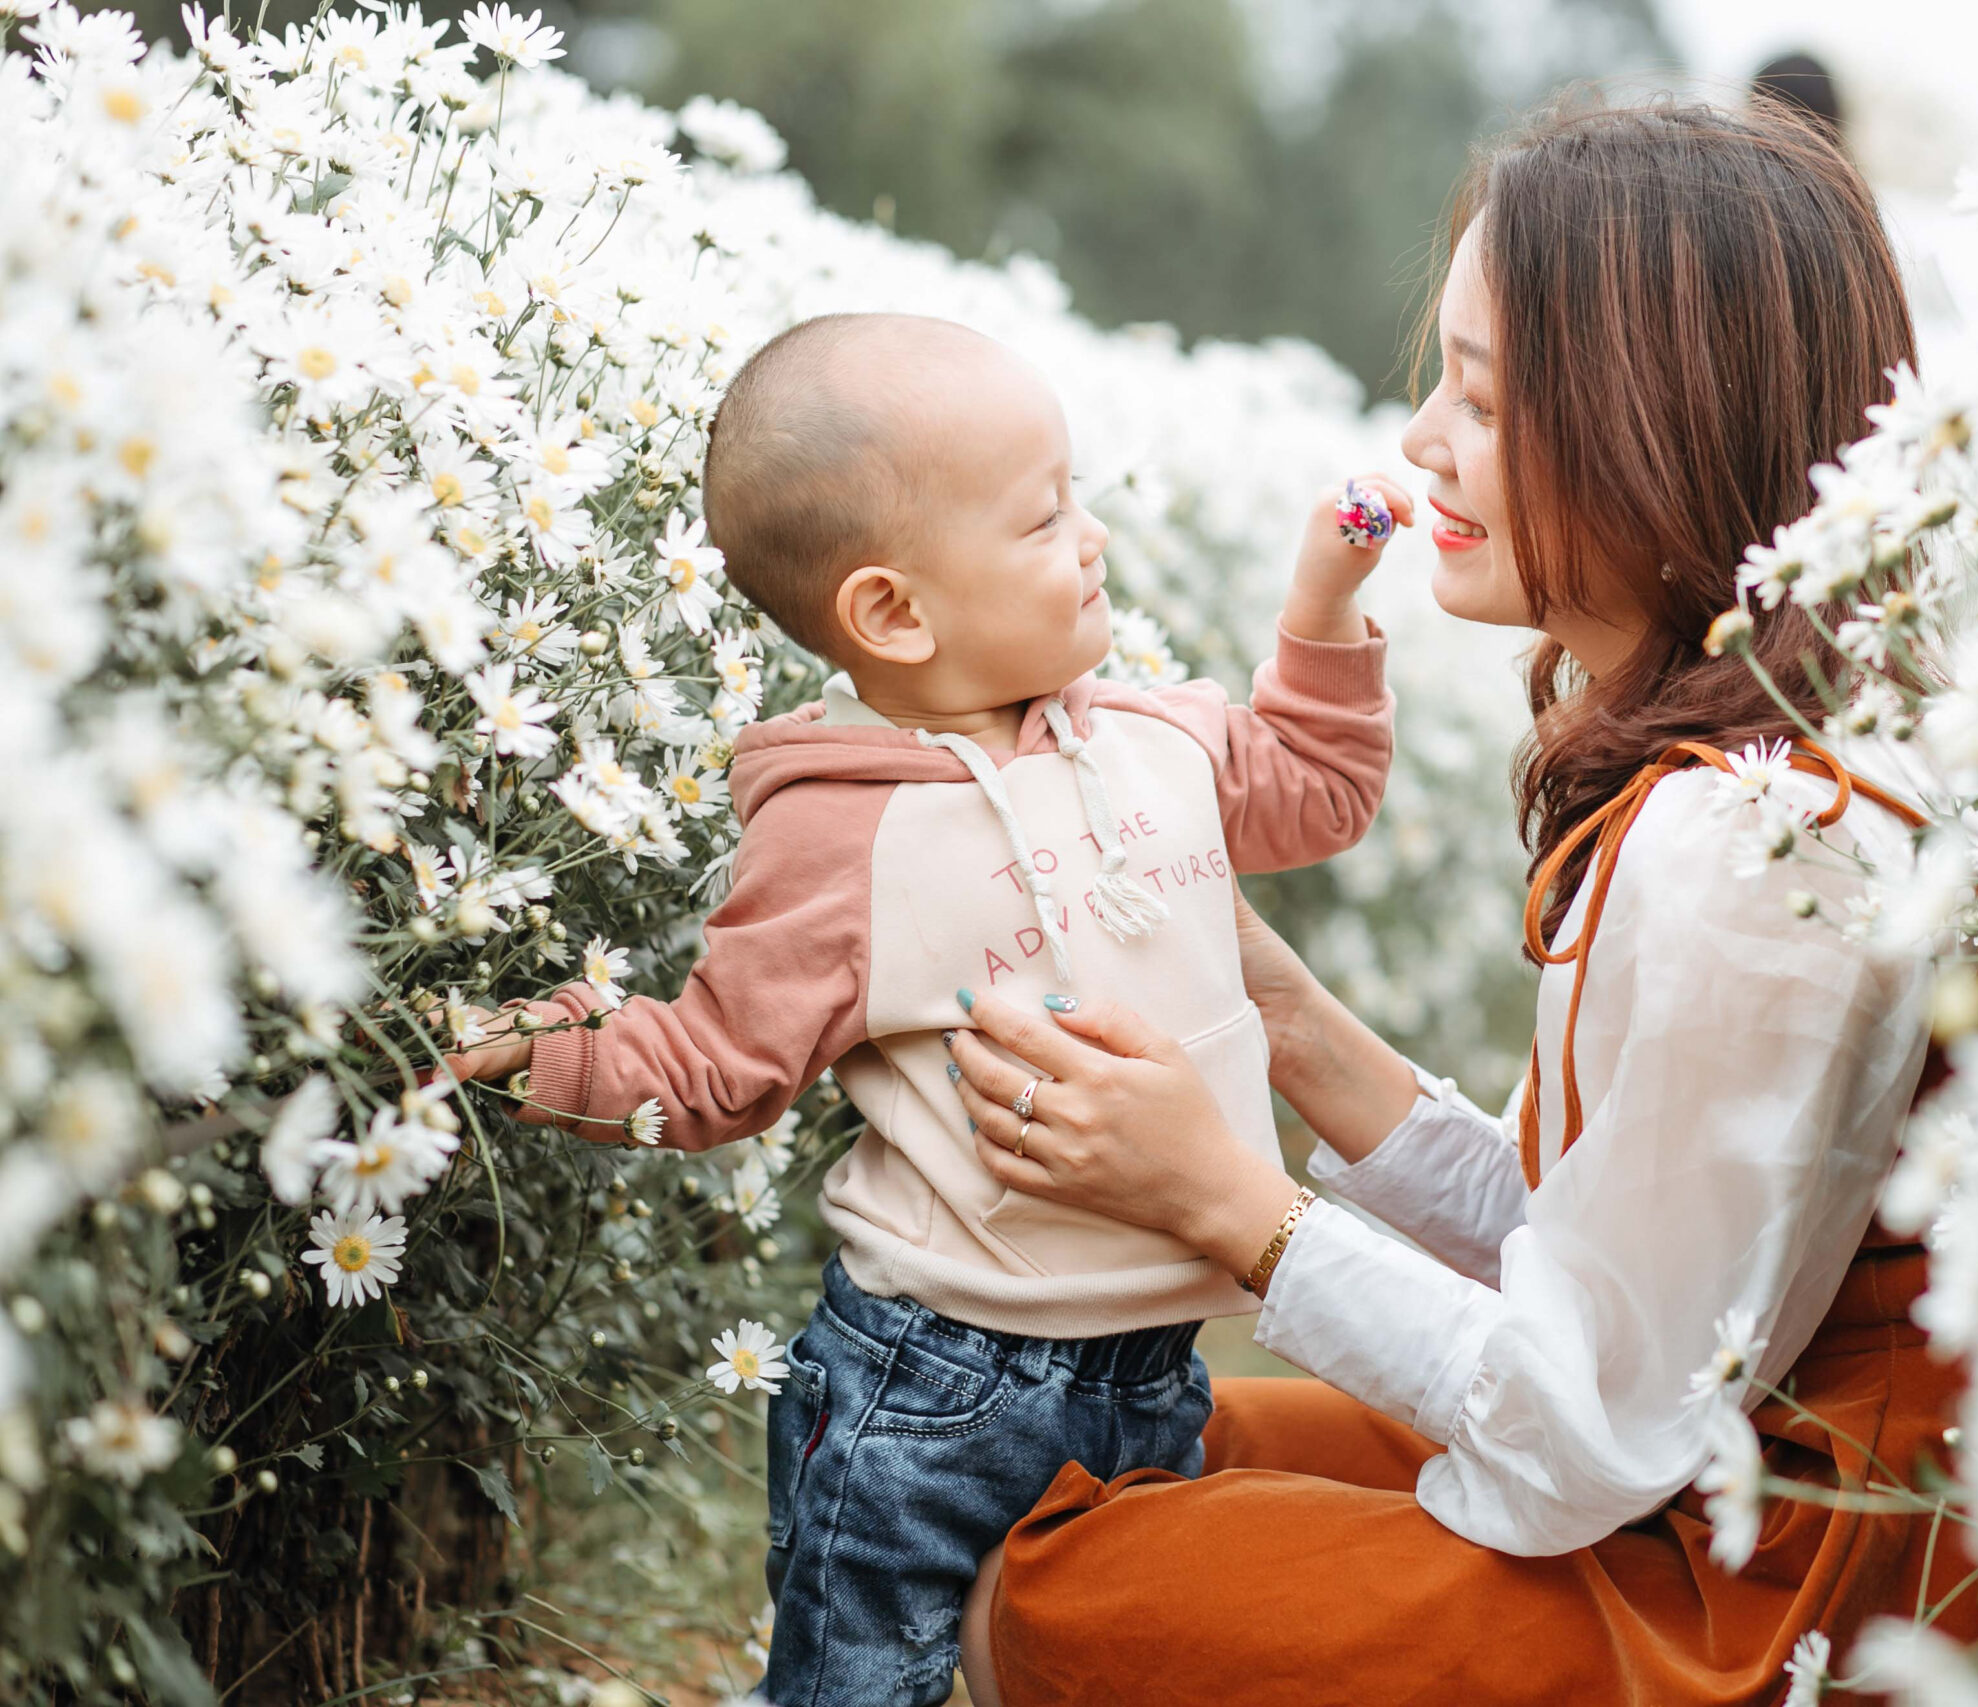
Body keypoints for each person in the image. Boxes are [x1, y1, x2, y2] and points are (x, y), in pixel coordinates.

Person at [936, 102, 1978, 1703]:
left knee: (1059, 1589)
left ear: (1658, 425)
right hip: (1734, 1476)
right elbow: (1617, 1258)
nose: (1420, 440)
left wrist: (1226, 1200)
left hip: (1811, 1604)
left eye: (1480, 397)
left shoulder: (1763, 846)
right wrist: (1276, 1013)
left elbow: (1585, 1428)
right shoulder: (1775, 760)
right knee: (1099, 1441)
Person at [440, 312, 1410, 1707]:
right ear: (895, 612)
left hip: (1153, 1372)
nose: (1089, 540)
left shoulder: (1155, 736)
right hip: (926, 1387)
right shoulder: (845, 838)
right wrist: (536, 1054)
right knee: (858, 1689)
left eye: (1074, 498)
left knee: (1122, 1673)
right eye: (1041, 520)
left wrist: (1320, 616)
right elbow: (716, 1062)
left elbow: (1319, 794)